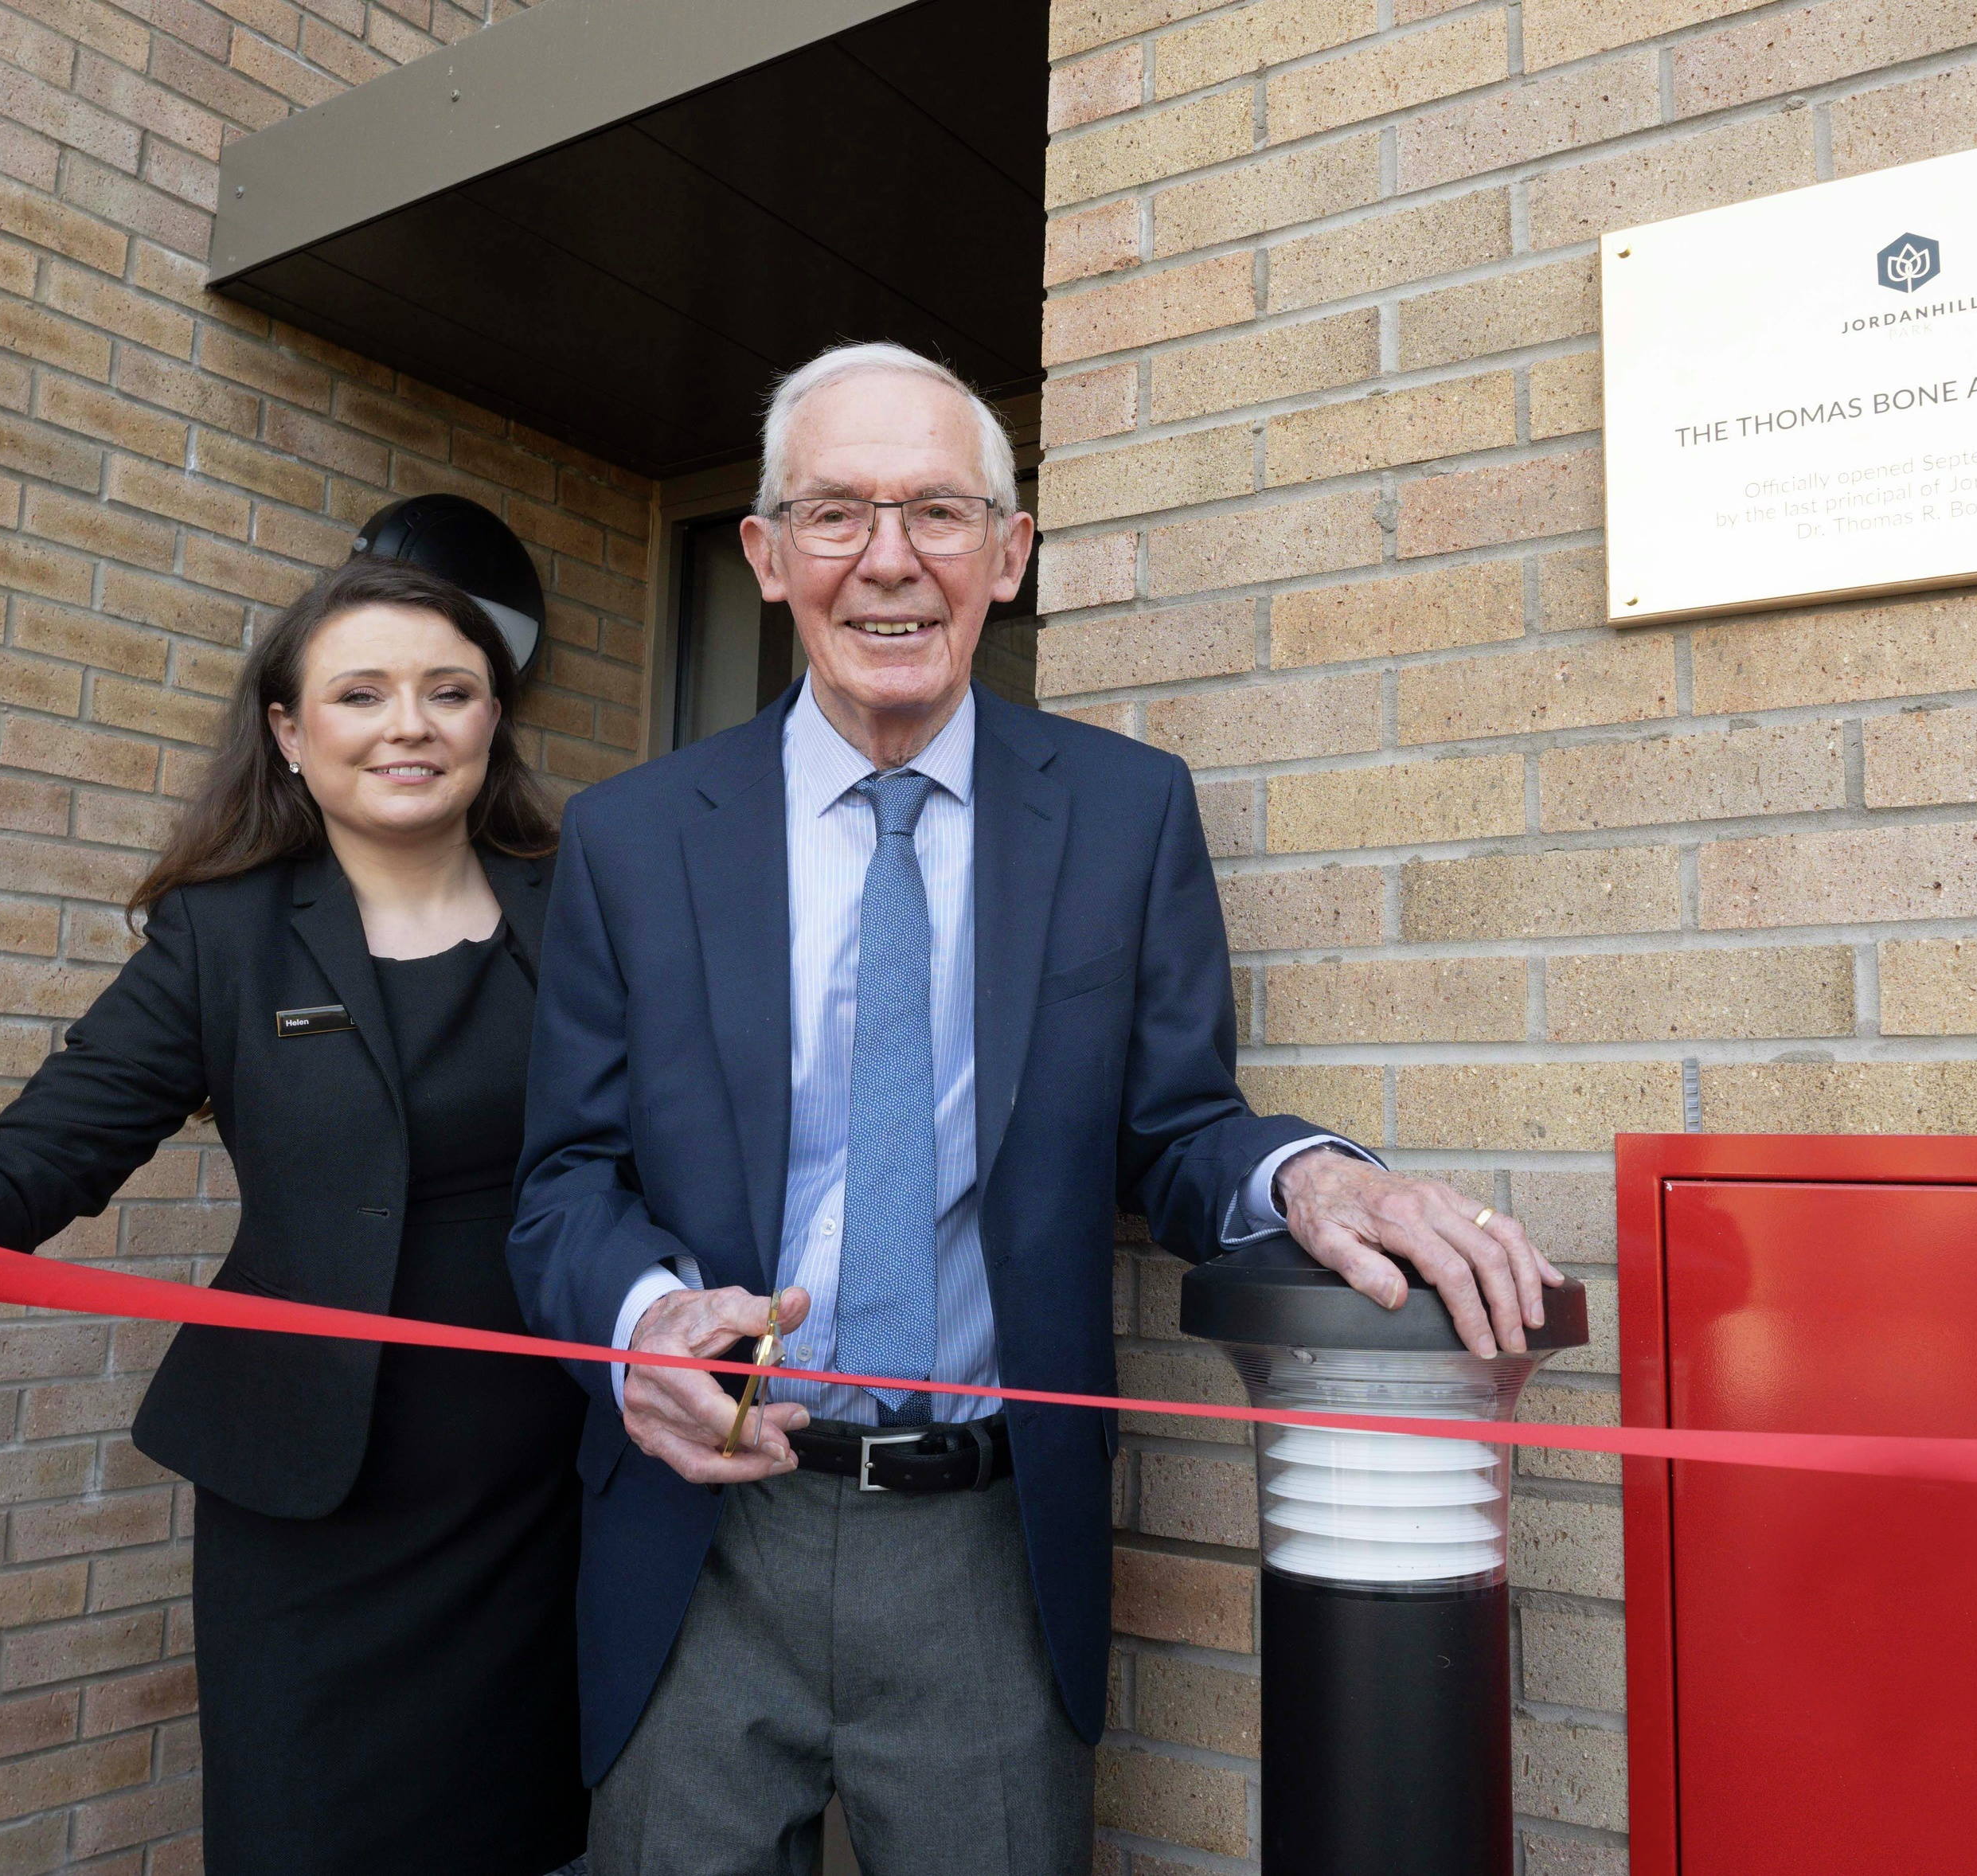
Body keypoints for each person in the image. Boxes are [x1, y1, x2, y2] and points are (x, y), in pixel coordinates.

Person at [506, 341, 1565, 1875]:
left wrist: (1326, 1185)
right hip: (700, 1540)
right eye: (834, 514)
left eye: (939, 511)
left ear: (1010, 555)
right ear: (762, 555)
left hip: (986, 1555)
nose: (889, 562)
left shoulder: (1125, 814)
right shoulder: (632, 838)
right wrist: (648, 1322)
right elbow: (564, 1183)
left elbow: (1180, 1125)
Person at [0, 557, 591, 1876]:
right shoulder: (226, 934)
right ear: (288, 728)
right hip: (311, 1509)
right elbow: (58, 1141)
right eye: (362, 693)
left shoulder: (592, 900)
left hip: (552, 1497)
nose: (409, 725)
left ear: (494, 717)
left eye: (451, 691)